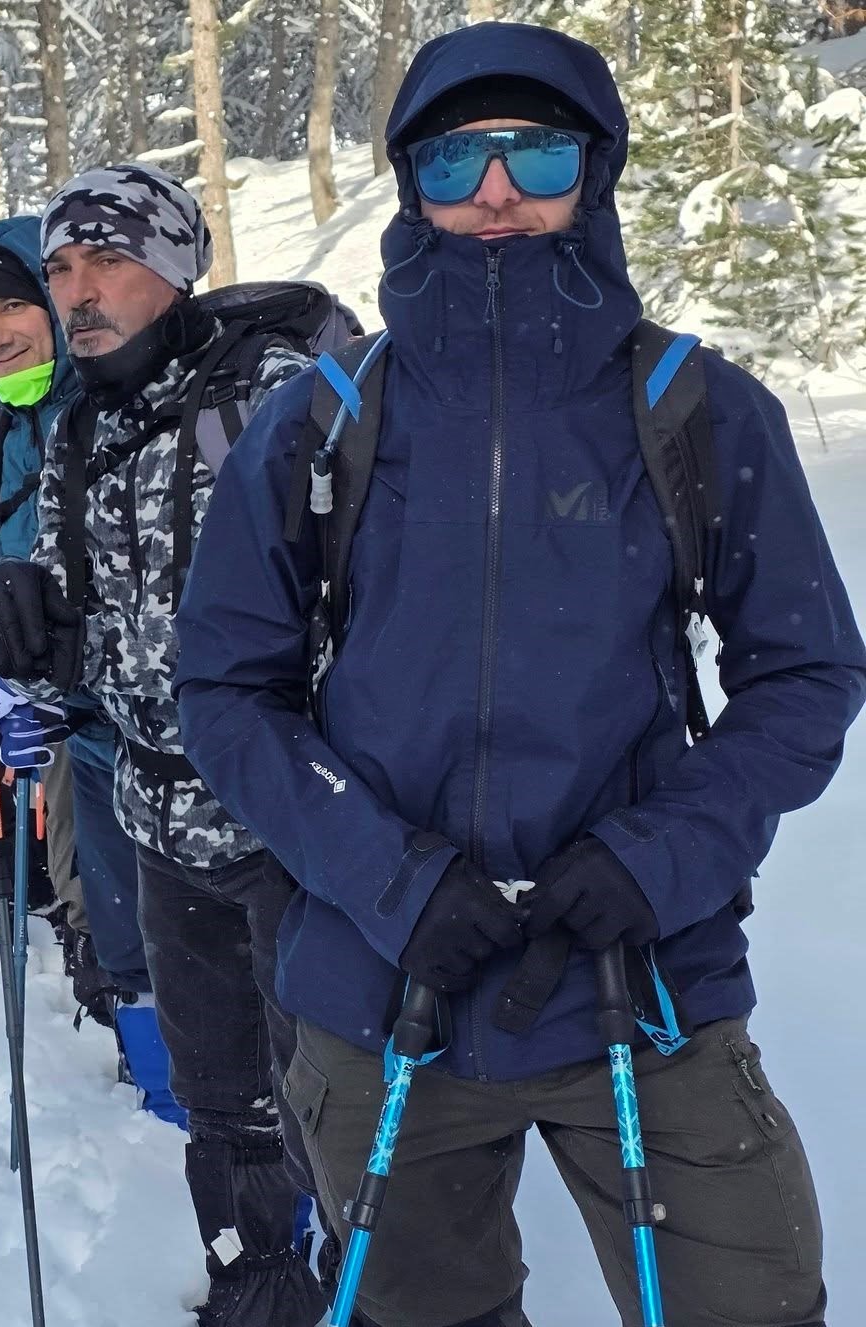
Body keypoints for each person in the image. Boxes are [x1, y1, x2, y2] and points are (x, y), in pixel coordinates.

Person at [171, 24, 866, 1327]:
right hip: (386, 995)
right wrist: (392, 875)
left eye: (534, 151)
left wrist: (661, 856)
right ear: (413, 183)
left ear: (590, 171)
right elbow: (223, 688)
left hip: (644, 988)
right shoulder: (321, 416)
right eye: (456, 158)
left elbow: (808, 675)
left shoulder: (698, 405)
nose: (495, 191)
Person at [0, 163, 326, 1326]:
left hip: (293, 824)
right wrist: (18, 613)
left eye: (109, 260)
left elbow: (360, 604)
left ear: (177, 264)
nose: (80, 290)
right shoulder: (83, 427)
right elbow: (81, 606)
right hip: (160, 819)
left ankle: (368, 1278)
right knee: (220, 1095)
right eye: (62, 268)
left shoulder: (276, 395)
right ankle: (254, 1275)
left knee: (333, 1100)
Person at [0, 217, 166, 1089]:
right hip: (86, 734)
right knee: (119, 927)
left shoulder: (120, 401)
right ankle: (166, 1097)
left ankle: (264, 1148)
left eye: (13, 306)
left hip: (175, 729)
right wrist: (4, 680)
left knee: (211, 933)